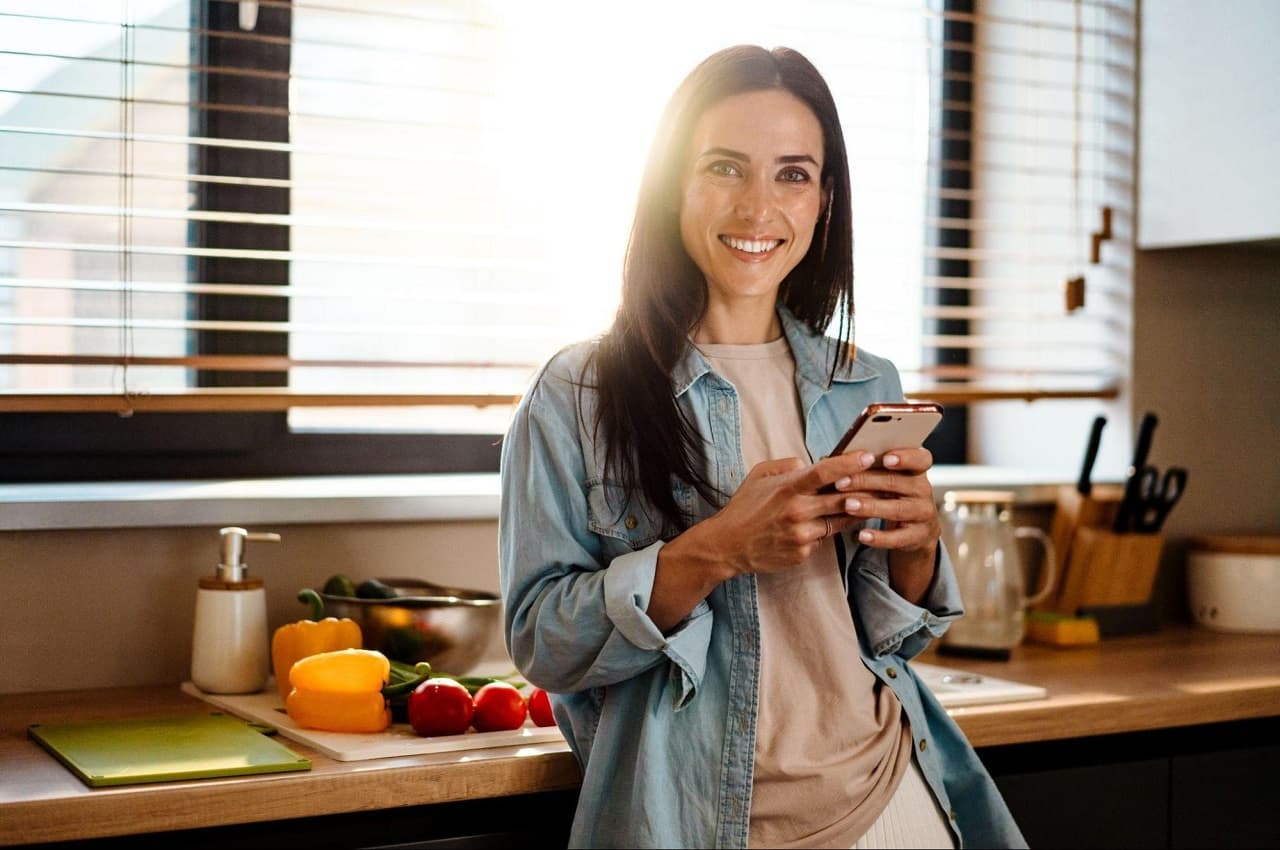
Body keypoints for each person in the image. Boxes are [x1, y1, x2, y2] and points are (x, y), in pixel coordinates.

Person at [498, 44, 1026, 849]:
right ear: (673, 182)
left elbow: (898, 632)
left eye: (791, 174)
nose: (757, 208)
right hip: (691, 822)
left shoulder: (866, 381)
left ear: (823, 199)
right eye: (724, 167)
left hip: (888, 800)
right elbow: (543, 642)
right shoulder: (578, 393)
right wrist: (716, 550)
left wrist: (917, 544)